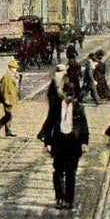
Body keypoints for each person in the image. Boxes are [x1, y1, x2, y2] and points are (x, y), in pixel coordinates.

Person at [44, 81, 89, 210]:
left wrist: (84, 142)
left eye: (72, 96)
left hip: (73, 143)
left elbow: (84, 126)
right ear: (63, 93)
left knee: (71, 173)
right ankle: (59, 198)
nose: (69, 98)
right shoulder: (56, 107)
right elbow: (49, 124)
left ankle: (69, 199)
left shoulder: (79, 107)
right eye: (67, 95)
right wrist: (47, 142)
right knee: (57, 172)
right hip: (59, 142)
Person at [0, 58, 19, 137]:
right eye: (15, 68)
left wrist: (17, 78)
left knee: (9, 116)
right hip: (7, 99)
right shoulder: (6, 76)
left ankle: (8, 131)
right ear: (11, 68)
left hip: (11, 98)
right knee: (9, 115)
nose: (15, 69)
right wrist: (6, 99)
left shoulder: (12, 76)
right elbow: (3, 89)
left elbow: (15, 87)